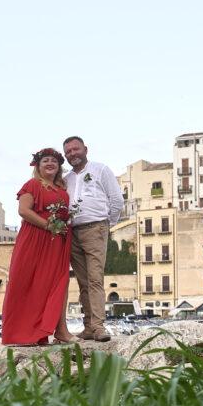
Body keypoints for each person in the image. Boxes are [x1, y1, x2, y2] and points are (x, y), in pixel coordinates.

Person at [1, 148, 79, 345]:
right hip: (34, 240)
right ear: (38, 165)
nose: (50, 163)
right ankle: (24, 333)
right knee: (29, 284)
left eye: (54, 160)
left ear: (59, 166)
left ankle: (61, 330)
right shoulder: (33, 185)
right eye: (46, 160)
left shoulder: (61, 189)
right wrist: (48, 225)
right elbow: (23, 211)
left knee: (58, 284)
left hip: (57, 242)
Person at [62, 136, 124, 342]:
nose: (73, 154)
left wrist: (107, 224)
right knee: (83, 282)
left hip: (95, 228)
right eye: (68, 151)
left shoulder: (101, 170)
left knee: (95, 279)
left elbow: (116, 200)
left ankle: (98, 327)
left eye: (75, 149)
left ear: (85, 149)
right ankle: (88, 326)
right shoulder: (67, 179)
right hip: (73, 232)